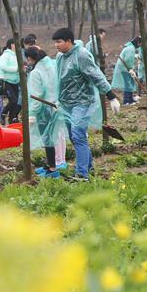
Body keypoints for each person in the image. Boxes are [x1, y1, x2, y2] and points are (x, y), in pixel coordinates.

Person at [53, 27, 121, 181]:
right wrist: (58, 100)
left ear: (69, 41)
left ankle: (82, 174)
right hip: (66, 103)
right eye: (55, 42)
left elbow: (96, 75)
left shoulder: (82, 55)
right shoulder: (60, 57)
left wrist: (111, 96)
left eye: (59, 42)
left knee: (78, 135)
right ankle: (89, 167)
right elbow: (60, 80)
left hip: (83, 102)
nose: (56, 45)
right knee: (73, 136)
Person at [23, 47, 67, 178]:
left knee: (48, 139)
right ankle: (50, 164)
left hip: (44, 109)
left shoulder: (36, 72)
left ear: (31, 58)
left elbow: (37, 95)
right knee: (52, 137)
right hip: (54, 105)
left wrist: (31, 114)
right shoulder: (51, 66)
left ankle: (53, 169)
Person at [0, 38, 21, 124]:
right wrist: (16, 69)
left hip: (16, 81)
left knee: (16, 101)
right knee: (13, 100)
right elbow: (3, 66)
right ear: (11, 45)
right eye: (15, 44)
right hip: (7, 81)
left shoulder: (16, 55)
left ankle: (12, 119)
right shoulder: (5, 55)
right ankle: (3, 113)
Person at [111, 37, 140, 105]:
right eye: (140, 43)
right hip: (124, 69)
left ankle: (130, 99)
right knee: (128, 84)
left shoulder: (131, 48)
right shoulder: (131, 49)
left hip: (126, 68)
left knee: (130, 83)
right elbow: (127, 60)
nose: (140, 45)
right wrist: (130, 69)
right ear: (138, 43)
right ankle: (127, 101)